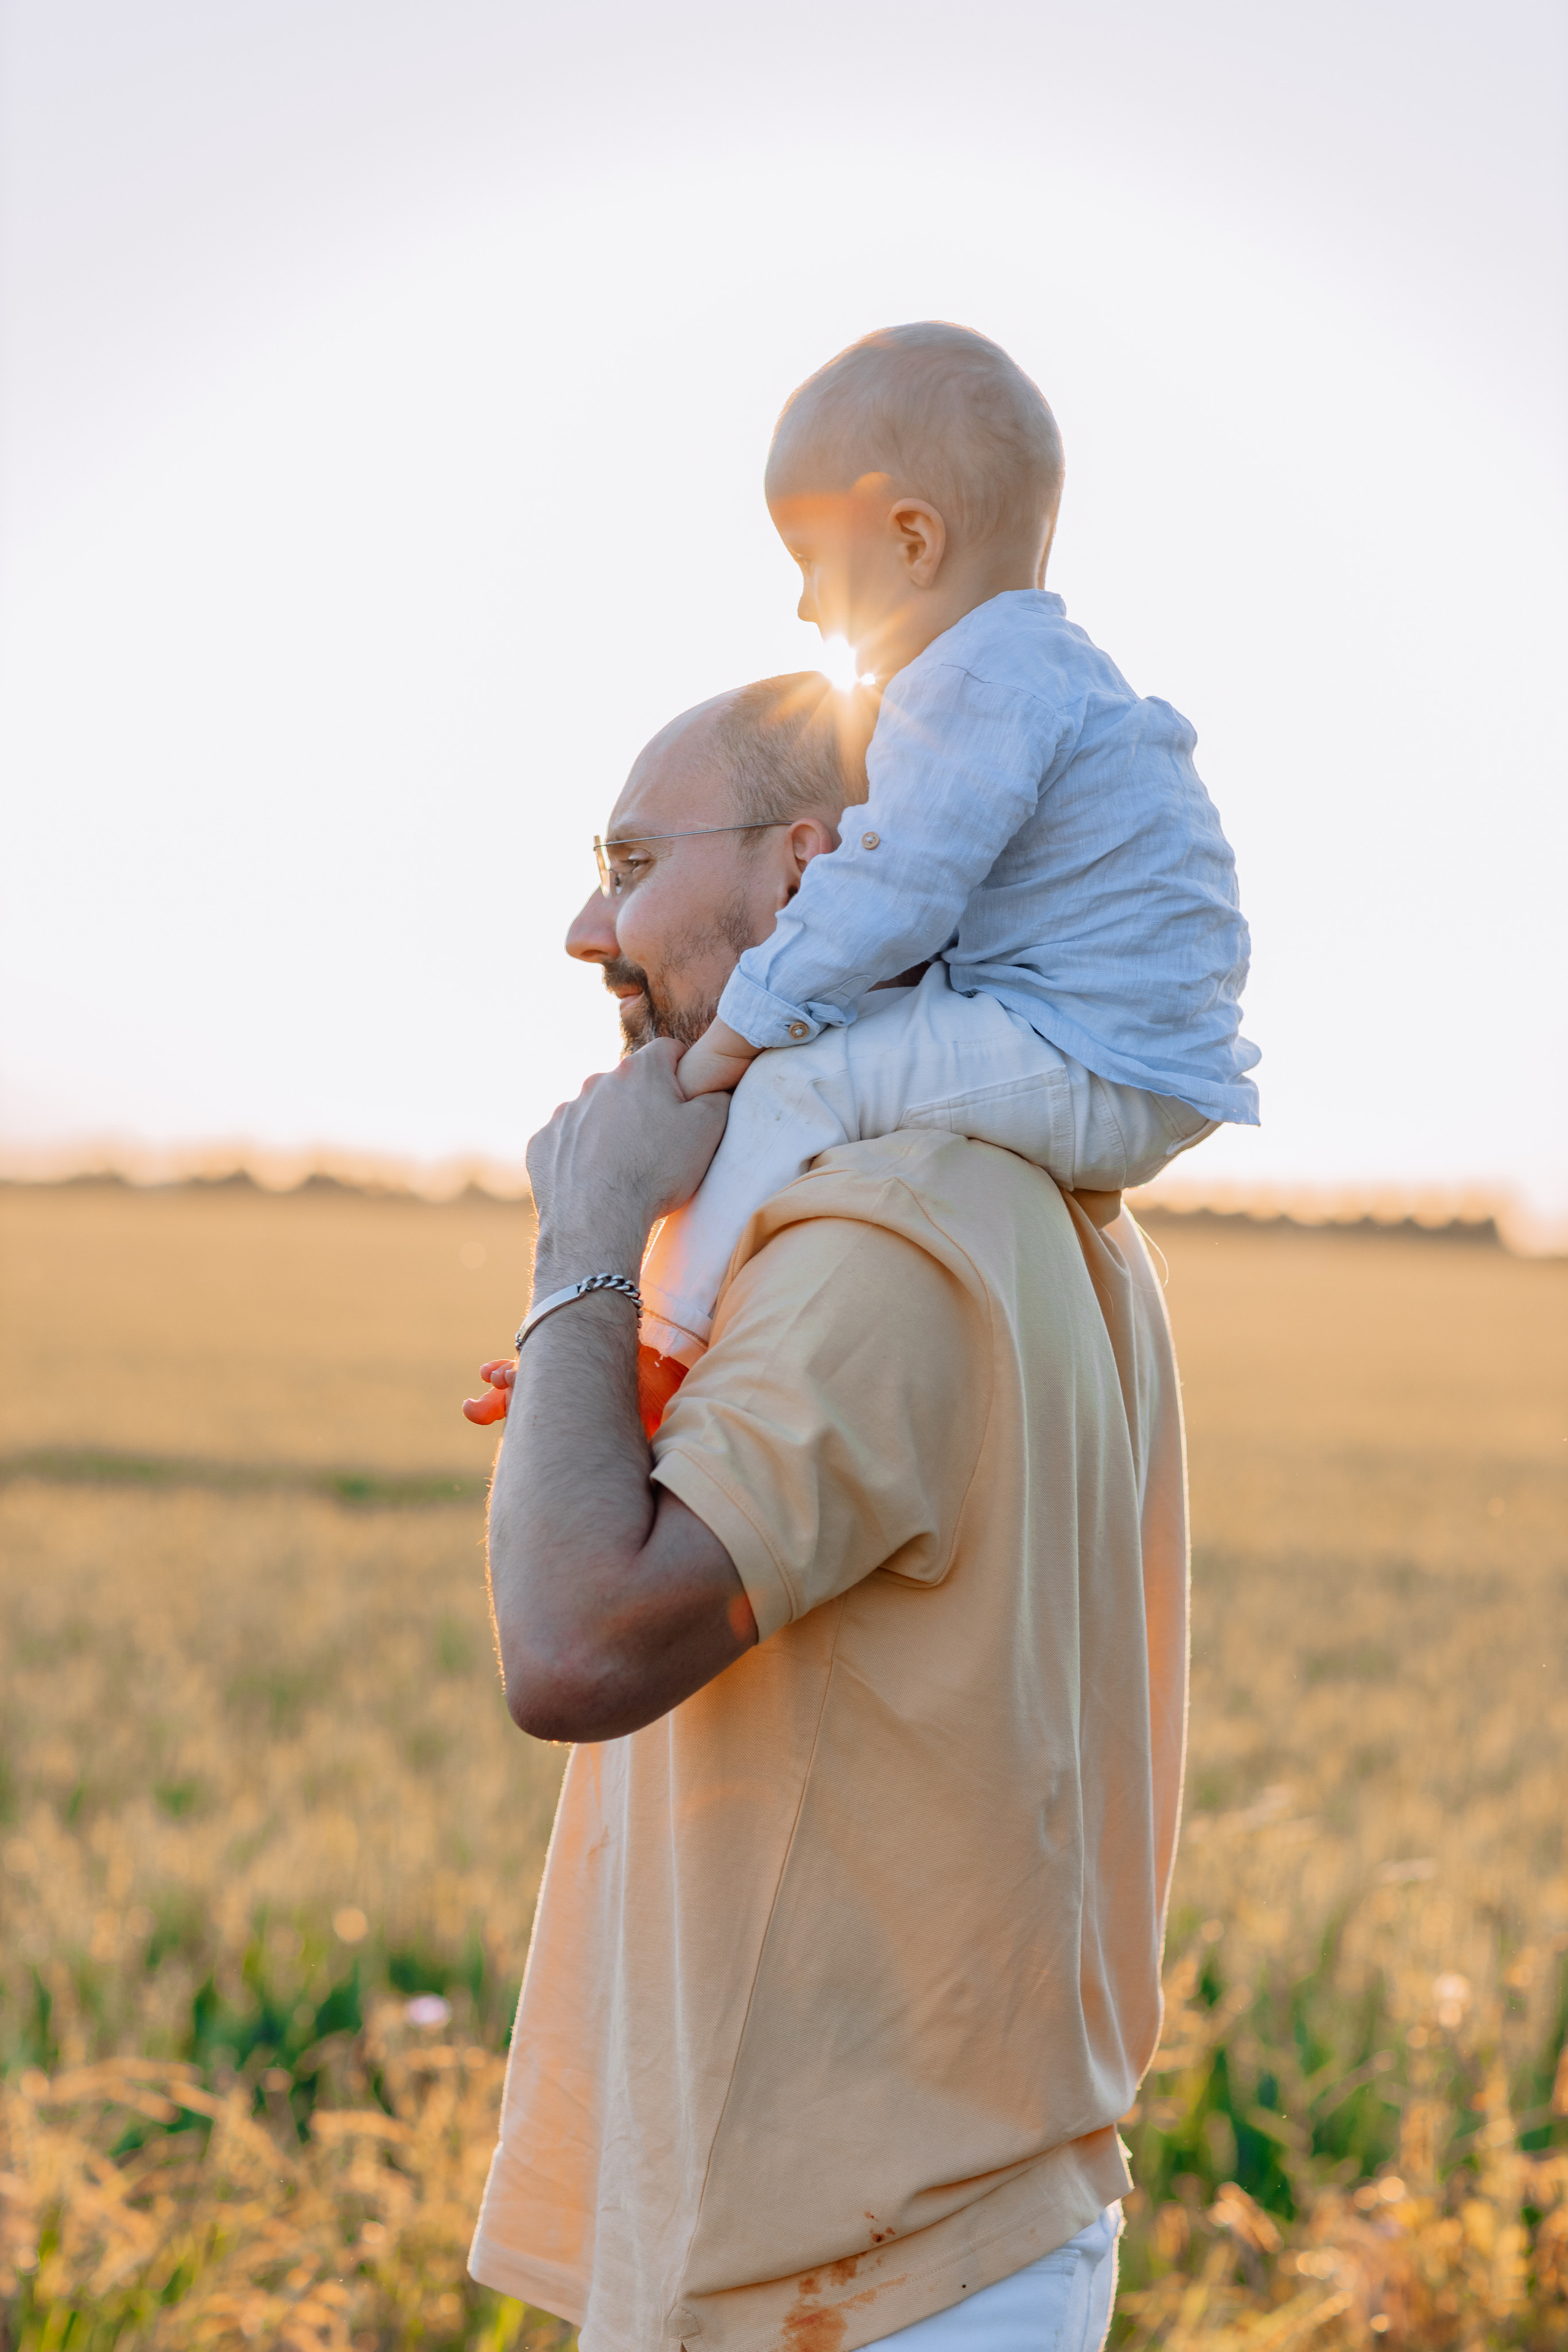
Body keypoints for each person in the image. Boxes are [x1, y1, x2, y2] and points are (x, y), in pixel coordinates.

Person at [466, 678, 1191, 2352]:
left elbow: (573, 1648)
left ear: (805, 874)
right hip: (904, 2234)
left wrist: (580, 1247)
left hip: (863, 2275)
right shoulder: (1023, 1195)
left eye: (633, 859)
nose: (591, 923)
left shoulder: (876, 1240)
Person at [638, 320, 1258, 1373]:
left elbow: (888, 895)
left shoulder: (967, 684)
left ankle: (656, 1346)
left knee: (798, 1083)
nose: (800, 602)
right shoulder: (1051, 670)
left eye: (809, 561)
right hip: (1113, 1043)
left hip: (1085, 1048)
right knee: (860, 1043)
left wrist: (729, 1042)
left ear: (914, 542)